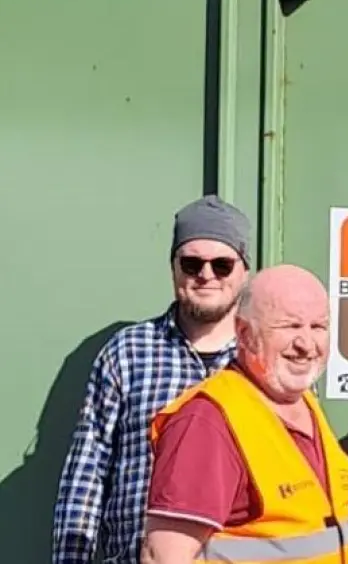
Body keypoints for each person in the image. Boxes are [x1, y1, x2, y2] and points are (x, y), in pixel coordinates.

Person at [51, 195, 251, 564]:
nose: (206, 275)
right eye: (191, 263)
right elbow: (86, 473)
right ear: (173, 267)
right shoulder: (128, 352)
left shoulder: (263, 358)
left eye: (222, 265)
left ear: (244, 271)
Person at [141, 264, 348, 564]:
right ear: (244, 334)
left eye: (318, 327)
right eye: (290, 326)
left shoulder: (303, 402)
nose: (306, 344)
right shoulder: (206, 421)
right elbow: (163, 556)